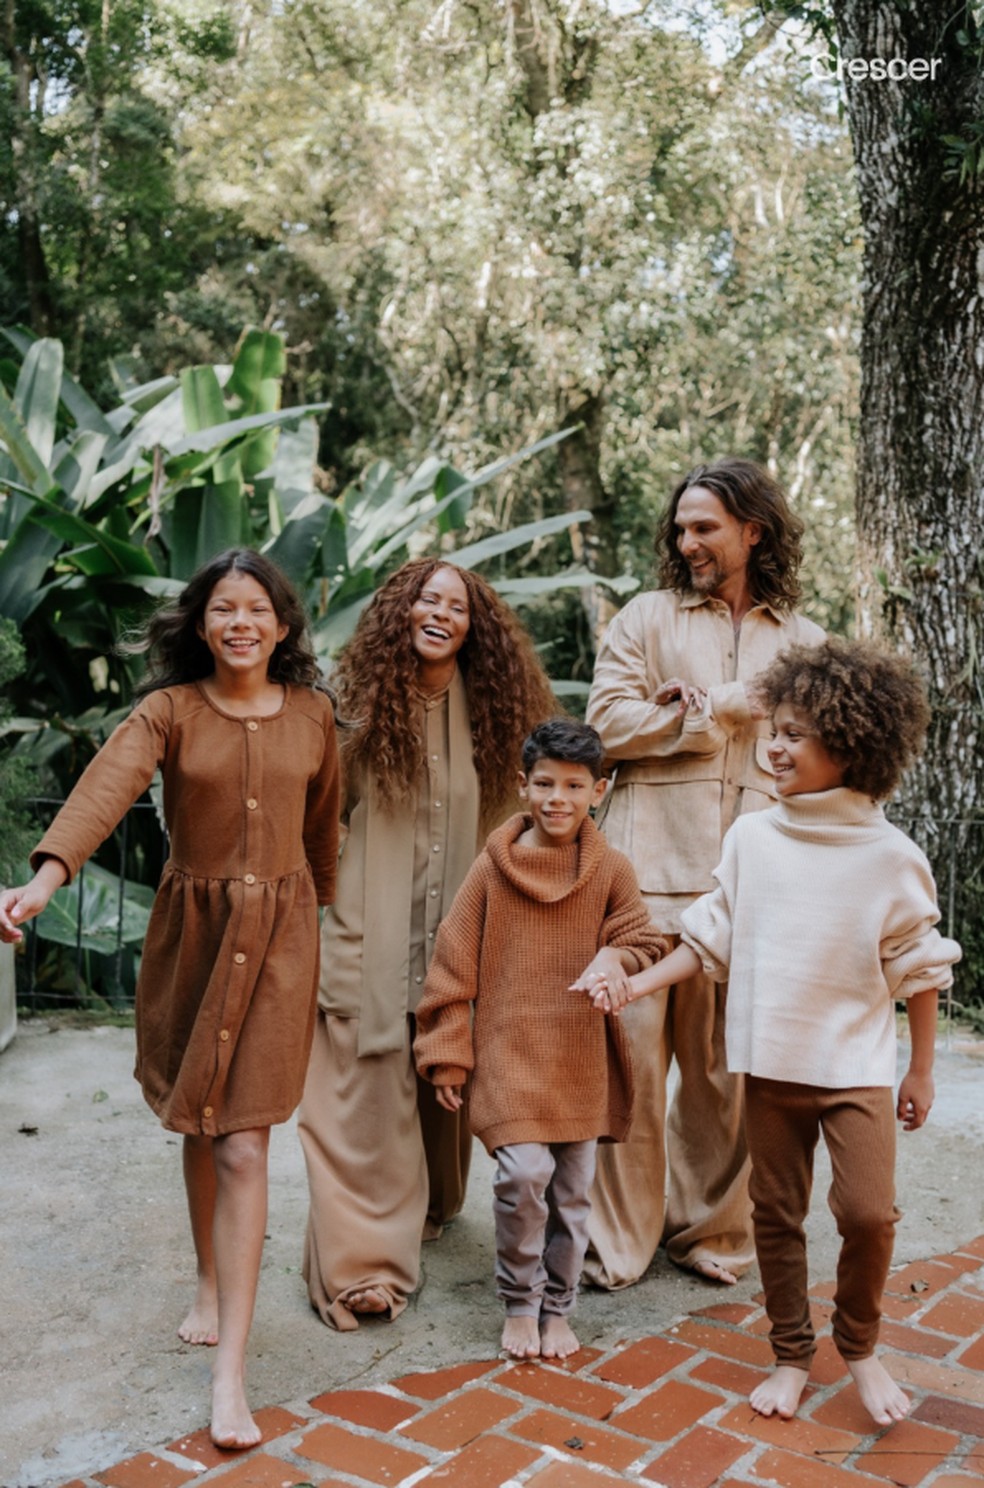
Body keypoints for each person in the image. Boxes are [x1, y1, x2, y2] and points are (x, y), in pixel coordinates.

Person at [0, 549, 340, 1452]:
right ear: (200, 623)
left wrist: (328, 933)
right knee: (200, 1120)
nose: (240, 623)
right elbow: (105, 789)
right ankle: (206, 1274)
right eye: (222, 608)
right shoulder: (169, 711)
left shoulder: (315, 715)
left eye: (256, 608)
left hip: (281, 943)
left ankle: (229, 1369)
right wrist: (43, 880)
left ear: (281, 625)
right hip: (194, 936)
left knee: (245, 1143)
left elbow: (322, 829)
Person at [577, 638, 960, 1426]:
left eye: (795, 734)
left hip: (853, 1069)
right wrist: (633, 980)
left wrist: (919, 1071)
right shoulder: (754, 838)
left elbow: (920, 968)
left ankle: (859, 1344)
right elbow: (704, 937)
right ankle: (791, 1354)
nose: (774, 747)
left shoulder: (891, 856)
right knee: (775, 1218)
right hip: (772, 1071)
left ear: (851, 744)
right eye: (773, 730)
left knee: (866, 1215)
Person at [583, 456, 825, 1289]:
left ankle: (711, 1236)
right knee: (630, 1067)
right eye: (680, 527)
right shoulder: (645, 618)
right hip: (644, 879)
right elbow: (606, 723)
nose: (686, 541)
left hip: (751, 889)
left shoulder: (805, 642)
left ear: (752, 531)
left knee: (725, 1075)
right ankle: (617, 1241)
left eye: (704, 527)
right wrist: (714, 708)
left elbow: (824, 760)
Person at [298, 557, 555, 1331]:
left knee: (444, 1070)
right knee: (363, 1085)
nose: (440, 612)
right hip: (364, 924)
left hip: (459, 926)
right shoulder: (350, 705)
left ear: (477, 629)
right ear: (398, 611)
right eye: (426, 599)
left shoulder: (498, 714)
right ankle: (363, 1265)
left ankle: (436, 1203)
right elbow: (312, 809)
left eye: (458, 606)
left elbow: (526, 821)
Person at [414, 718, 667, 1360]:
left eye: (574, 785)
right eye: (546, 783)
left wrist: (615, 958)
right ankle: (520, 1302)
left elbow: (644, 939)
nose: (558, 798)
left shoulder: (610, 867)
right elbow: (452, 957)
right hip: (508, 1053)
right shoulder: (493, 869)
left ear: (599, 791)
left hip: (580, 1055)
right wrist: (447, 1051)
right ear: (521, 784)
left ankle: (559, 1308)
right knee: (523, 1175)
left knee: (573, 1193)